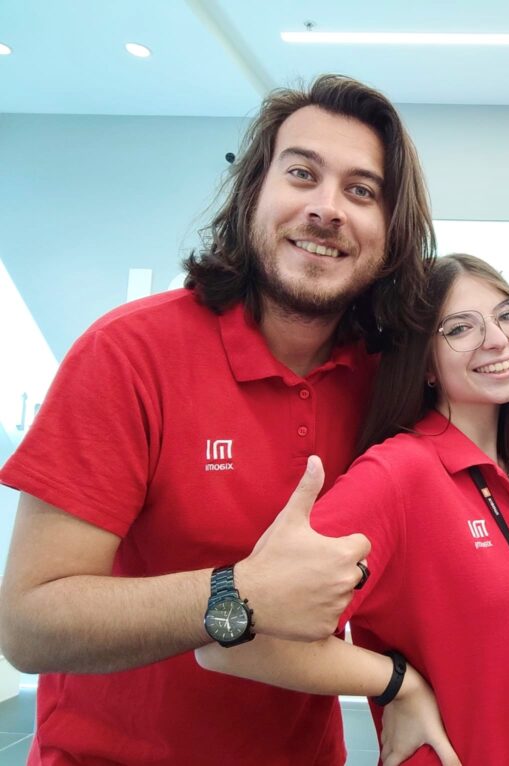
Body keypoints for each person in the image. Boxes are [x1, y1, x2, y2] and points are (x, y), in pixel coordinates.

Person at [0, 74, 435, 765]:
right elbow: (28, 625)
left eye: (361, 191)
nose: (326, 209)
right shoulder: (128, 354)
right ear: (254, 191)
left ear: (392, 231)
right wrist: (240, 593)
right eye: (302, 174)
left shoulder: (388, 383)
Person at [197, 254, 509, 765]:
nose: (496, 338)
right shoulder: (398, 473)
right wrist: (397, 683)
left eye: (507, 314)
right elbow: (232, 639)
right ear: (425, 364)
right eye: (460, 328)